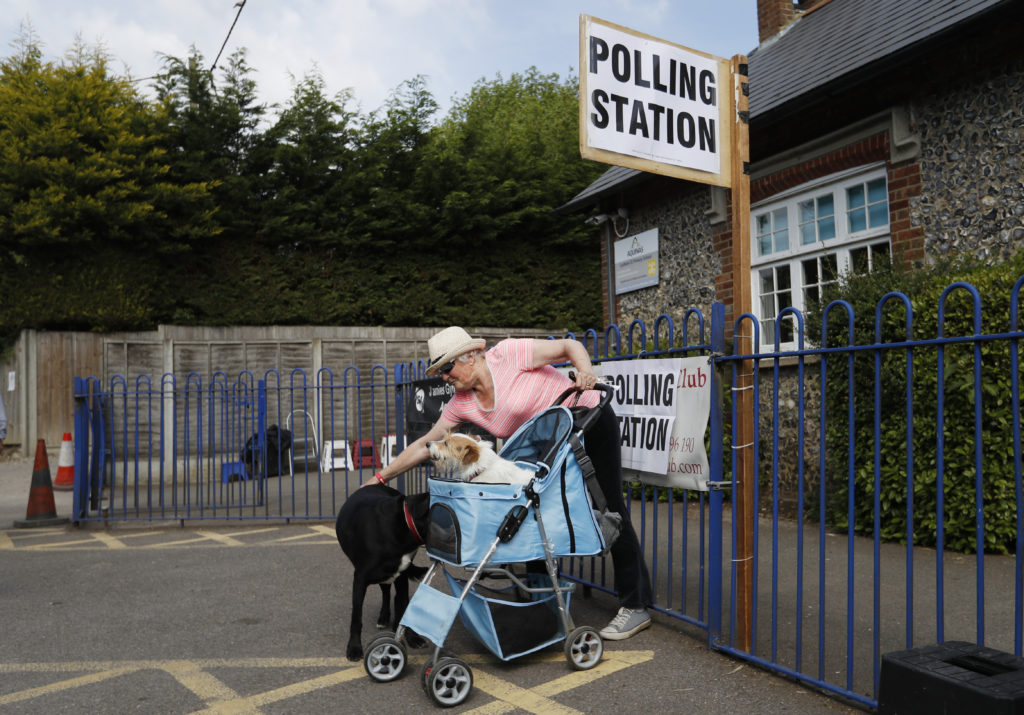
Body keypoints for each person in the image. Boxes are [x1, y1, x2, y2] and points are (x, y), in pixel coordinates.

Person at [363, 326, 654, 640]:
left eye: (447, 368)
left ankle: (635, 604)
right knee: (530, 509)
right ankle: (542, 599)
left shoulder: (509, 354)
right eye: (439, 372)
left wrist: (585, 373)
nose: (444, 377)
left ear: (470, 355)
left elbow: (570, 347)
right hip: (547, 442)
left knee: (608, 504)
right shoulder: (461, 403)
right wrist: (380, 477)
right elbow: (424, 446)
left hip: (587, 421)